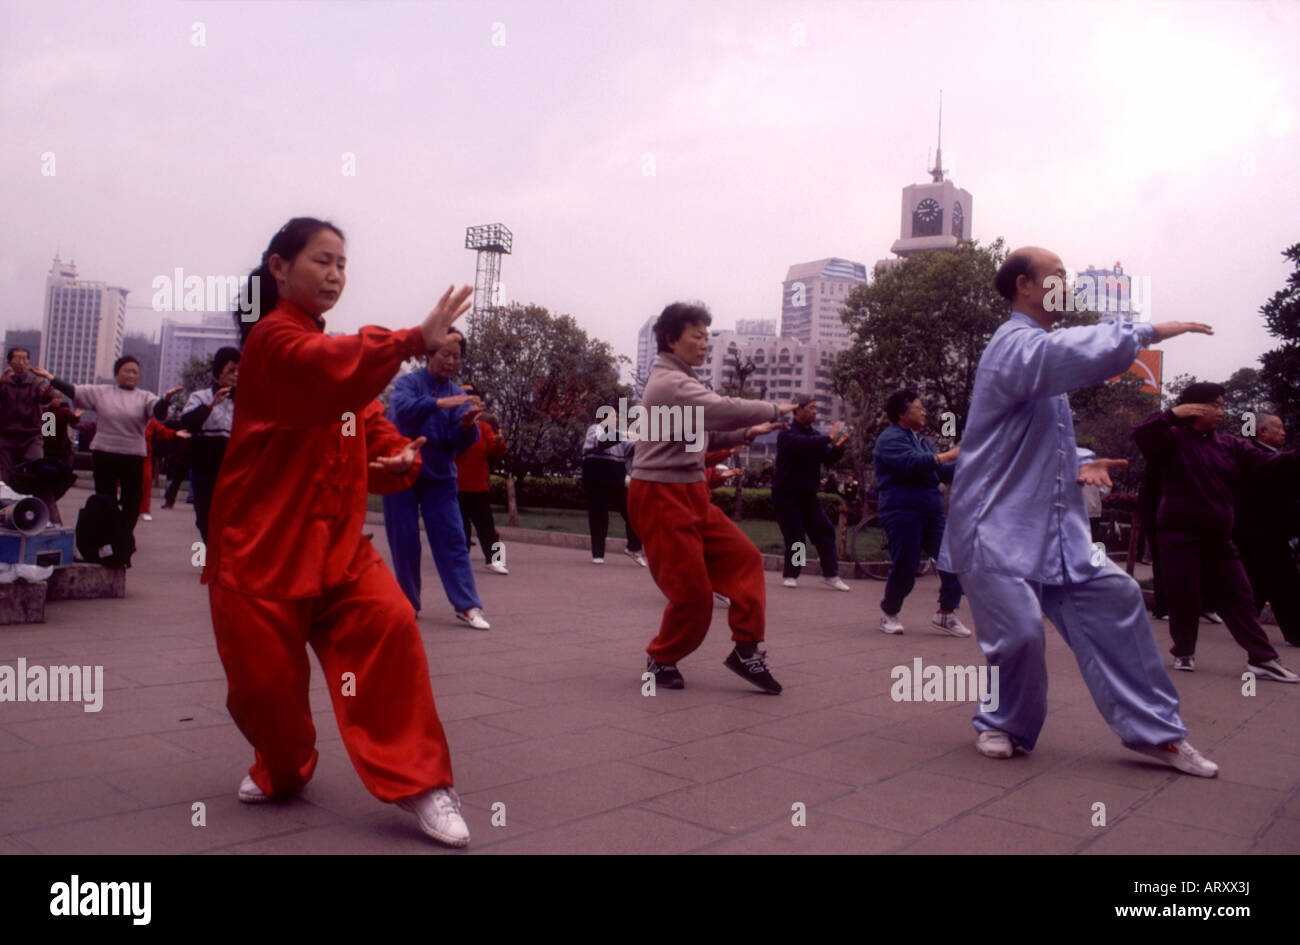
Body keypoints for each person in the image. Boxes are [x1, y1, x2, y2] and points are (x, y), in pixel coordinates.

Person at [201, 216, 472, 846]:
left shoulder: (328, 352)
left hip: (336, 546)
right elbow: (329, 371)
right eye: (322, 261)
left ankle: (423, 781)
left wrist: (396, 452)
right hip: (259, 552)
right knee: (266, 693)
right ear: (278, 267)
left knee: (391, 627)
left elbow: (363, 414)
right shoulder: (272, 342)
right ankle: (283, 767)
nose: (334, 275)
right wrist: (409, 340)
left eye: (342, 264)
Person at [937, 245, 1221, 777]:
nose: (1067, 287)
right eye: (1057, 276)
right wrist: (1145, 332)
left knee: (1118, 596)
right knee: (1020, 633)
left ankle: (1158, 734)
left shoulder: (1037, 357)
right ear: (1024, 285)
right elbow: (1064, 356)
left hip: (1050, 528)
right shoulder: (1013, 345)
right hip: (992, 525)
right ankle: (1002, 723)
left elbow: (1036, 439)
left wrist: (1084, 460)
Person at [629, 302, 795, 693]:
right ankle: (661, 658)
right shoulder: (671, 383)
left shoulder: (683, 382)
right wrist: (773, 408)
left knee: (744, 558)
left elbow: (706, 432)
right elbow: (721, 409)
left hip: (691, 493)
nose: (704, 343)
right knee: (694, 595)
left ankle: (746, 650)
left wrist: (748, 433)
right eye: (697, 335)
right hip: (660, 494)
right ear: (672, 339)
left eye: (707, 336)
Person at [1133, 386, 1299, 680]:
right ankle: (1184, 651)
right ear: (1193, 408)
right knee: (1184, 596)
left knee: (1240, 596)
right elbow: (1141, 435)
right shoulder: (1172, 440)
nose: (1221, 411)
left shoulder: (1229, 445)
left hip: (1219, 538)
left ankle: (1261, 659)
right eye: (1214, 405)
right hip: (1179, 536)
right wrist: (1172, 414)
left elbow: (1270, 464)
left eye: (1222, 405)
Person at [382, 330, 492, 630]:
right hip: (402, 469)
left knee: (452, 539)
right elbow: (402, 412)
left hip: (440, 475)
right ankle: (408, 602)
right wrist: (438, 404)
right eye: (446, 354)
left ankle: (467, 605)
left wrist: (467, 425)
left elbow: (458, 443)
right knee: (404, 540)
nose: (451, 361)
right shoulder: (408, 383)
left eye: (457, 356)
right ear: (429, 354)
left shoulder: (457, 394)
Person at [44, 356, 183, 563]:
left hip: (133, 456)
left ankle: (122, 540)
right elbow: (76, 392)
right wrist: (51, 379)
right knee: (104, 500)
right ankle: (105, 542)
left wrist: (166, 399)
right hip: (104, 453)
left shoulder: (145, 397)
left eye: (135, 372)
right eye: (126, 371)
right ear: (117, 374)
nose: (131, 375)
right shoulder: (101, 392)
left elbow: (158, 412)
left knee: (132, 502)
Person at [873, 388, 969, 636]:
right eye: (919, 407)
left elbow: (941, 471)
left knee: (954, 559)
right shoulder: (890, 439)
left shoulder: (923, 441)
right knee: (906, 566)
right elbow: (913, 463)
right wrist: (949, 455)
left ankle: (946, 613)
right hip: (902, 511)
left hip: (932, 512)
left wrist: (968, 463)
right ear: (902, 413)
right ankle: (889, 613)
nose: (924, 411)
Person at [1234, 413, 1300, 648]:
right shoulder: (1256, 457)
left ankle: (1245, 625)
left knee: (1260, 583)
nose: (1284, 432)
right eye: (1278, 427)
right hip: (1262, 531)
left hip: (1266, 532)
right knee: (1284, 582)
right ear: (1262, 432)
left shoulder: (1268, 456)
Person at [772, 396, 850, 591]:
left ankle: (831, 574)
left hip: (808, 495)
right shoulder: (787, 433)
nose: (815, 412)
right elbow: (802, 444)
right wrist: (828, 438)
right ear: (797, 410)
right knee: (796, 536)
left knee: (825, 531)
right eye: (811, 408)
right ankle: (791, 574)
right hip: (786, 495)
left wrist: (838, 448)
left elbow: (826, 458)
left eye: (816, 408)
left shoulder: (815, 436)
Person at [181, 347, 240, 541]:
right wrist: (211, 405)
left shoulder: (245, 401)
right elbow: (187, 422)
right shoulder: (200, 396)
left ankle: (223, 557)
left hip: (233, 466)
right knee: (204, 517)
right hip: (205, 466)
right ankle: (212, 552)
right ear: (219, 370)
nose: (236, 375)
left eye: (240, 370)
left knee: (231, 518)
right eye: (231, 370)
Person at [454, 384, 508, 574]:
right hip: (456, 485)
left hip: (479, 486)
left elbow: (494, 449)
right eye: (470, 404)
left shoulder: (484, 427)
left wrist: (499, 443)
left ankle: (495, 560)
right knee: (460, 527)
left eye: (477, 404)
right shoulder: (454, 427)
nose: (474, 408)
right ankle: (460, 560)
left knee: (487, 526)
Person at [581, 413, 646, 566]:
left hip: (615, 481)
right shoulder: (594, 429)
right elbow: (601, 442)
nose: (616, 419)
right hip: (596, 480)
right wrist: (626, 433)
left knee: (632, 511)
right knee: (599, 516)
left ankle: (633, 548)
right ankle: (598, 554)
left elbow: (635, 449)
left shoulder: (619, 434)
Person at [139, 415, 186, 522]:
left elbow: (161, 431)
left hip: (144, 455)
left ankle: (144, 510)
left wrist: (175, 433)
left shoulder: (150, 420)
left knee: (146, 483)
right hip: (128, 453)